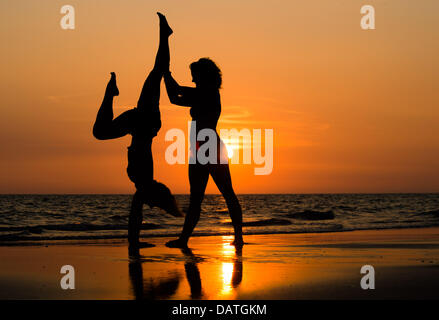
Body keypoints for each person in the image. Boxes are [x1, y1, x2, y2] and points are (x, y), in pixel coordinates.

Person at [92, 13, 182, 253]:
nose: (149, 207)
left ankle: (111, 92)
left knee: (100, 132)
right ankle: (165, 36)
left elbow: (136, 214)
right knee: (157, 73)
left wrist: (134, 242)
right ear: (154, 197)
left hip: (142, 125)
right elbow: (136, 214)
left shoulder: (143, 182)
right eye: (155, 205)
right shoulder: (143, 180)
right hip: (144, 124)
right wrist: (134, 241)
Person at [164, 58, 244, 248]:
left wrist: (165, 74)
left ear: (202, 75)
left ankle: (238, 237)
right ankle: (183, 240)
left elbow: (176, 92)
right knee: (196, 197)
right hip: (199, 148)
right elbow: (174, 98)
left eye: (194, 76)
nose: (192, 80)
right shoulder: (203, 92)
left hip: (210, 147)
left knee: (227, 193)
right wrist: (165, 76)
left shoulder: (208, 93)